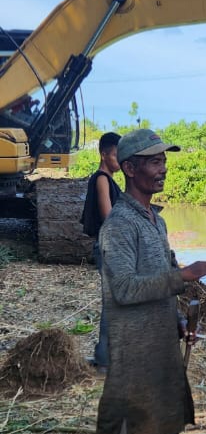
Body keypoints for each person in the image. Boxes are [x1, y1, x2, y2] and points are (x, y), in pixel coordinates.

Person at [84, 127, 206, 434]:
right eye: (153, 161)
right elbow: (123, 288)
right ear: (129, 168)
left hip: (158, 347)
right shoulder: (119, 226)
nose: (163, 168)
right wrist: (185, 276)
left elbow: (156, 285)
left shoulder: (154, 221)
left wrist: (178, 319)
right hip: (131, 353)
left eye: (164, 160)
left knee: (157, 426)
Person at [81, 131, 122, 372]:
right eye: (116, 155)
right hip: (107, 246)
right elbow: (108, 217)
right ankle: (105, 359)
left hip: (108, 246)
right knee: (112, 303)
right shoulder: (102, 180)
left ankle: (109, 355)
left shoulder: (108, 179)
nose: (119, 160)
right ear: (104, 154)